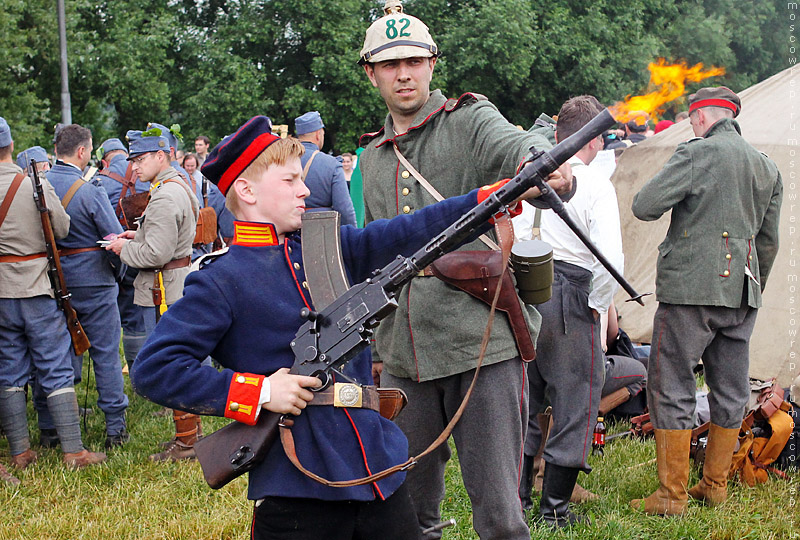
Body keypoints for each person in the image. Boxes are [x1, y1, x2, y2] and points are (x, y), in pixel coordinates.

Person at [130, 115, 536, 540]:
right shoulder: (220, 280)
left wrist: (485, 200)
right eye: (289, 180)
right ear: (247, 191)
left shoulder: (325, 248)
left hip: (376, 468)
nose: (304, 189)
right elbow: (155, 369)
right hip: (299, 481)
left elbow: (405, 232)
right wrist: (261, 392)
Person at [357, 2, 571, 538]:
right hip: (405, 350)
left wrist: (541, 164)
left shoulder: (469, 119)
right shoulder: (372, 158)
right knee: (405, 509)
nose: (403, 74)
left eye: (413, 60)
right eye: (389, 64)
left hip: (480, 338)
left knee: (499, 513)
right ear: (371, 73)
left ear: (432, 63)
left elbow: (517, 145)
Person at [630, 86, 782, 515]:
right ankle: (715, 487)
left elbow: (645, 205)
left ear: (699, 118)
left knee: (672, 384)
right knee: (731, 390)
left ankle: (671, 495)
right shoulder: (766, 166)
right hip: (743, 293)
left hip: (689, 293)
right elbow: (768, 242)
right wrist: (751, 290)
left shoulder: (696, 153)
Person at [520, 96, 624, 527]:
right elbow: (610, 262)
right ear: (595, 141)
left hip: (523, 291)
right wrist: (596, 310)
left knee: (525, 403)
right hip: (571, 296)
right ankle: (554, 512)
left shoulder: (527, 175)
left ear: (558, 134)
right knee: (576, 403)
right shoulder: (596, 185)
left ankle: (517, 502)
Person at [0, 116, 107, 469]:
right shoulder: (32, 182)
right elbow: (62, 228)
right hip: (36, 287)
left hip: (2, 293)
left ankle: (20, 452)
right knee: (57, 367)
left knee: (10, 371)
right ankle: (73, 451)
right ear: (11, 146)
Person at [106, 128, 200, 462]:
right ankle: (189, 434)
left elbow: (154, 256)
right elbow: (165, 239)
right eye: (133, 160)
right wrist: (139, 234)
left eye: (141, 159)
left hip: (167, 287)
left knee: (174, 361)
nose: (134, 167)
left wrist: (122, 247)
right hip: (175, 281)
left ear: (162, 156)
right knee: (181, 358)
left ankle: (187, 442)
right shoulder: (175, 185)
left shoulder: (163, 195)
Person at [43, 124, 129, 449]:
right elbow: (114, 239)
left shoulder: (36, 186)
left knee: (56, 354)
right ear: (82, 152)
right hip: (95, 283)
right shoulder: (89, 190)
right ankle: (115, 429)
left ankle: (52, 426)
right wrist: (117, 277)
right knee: (106, 354)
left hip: (53, 283)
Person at [95, 138, 150, 368]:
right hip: (148, 247)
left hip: (114, 252)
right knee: (144, 311)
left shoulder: (99, 181)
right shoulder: (146, 174)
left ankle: (134, 366)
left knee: (128, 312)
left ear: (105, 158)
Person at [295, 111, 357, 226]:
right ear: (318, 134)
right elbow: (344, 208)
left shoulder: (283, 161)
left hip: (288, 233)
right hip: (321, 232)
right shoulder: (331, 164)